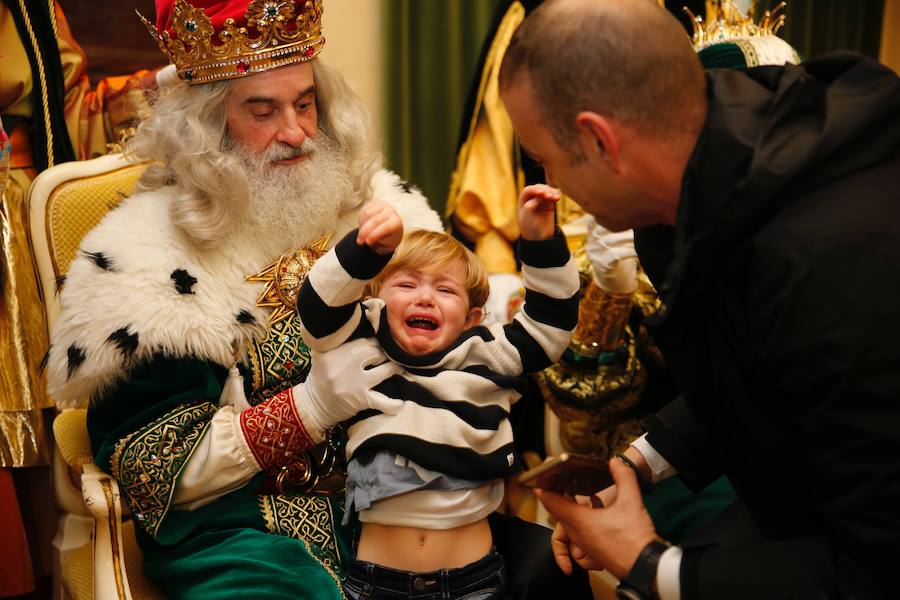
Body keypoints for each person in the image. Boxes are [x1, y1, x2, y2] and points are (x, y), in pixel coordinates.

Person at [45, 1, 593, 598]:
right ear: (203, 127)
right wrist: (306, 410)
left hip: (400, 508)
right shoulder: (147, 260)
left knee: (551, 572)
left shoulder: (378, 210)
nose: (297, 132)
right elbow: (154, 470)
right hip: (246, 534)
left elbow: (465, 348)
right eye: (263, 110)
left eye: (305, 103)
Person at [497, 0, 900, 598]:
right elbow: (757, 366)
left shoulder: (834, 260)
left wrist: (647, 563)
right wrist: (637, 462)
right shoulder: (683, 192)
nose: (551, 181)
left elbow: (878, 561)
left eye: (545, 159)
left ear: (600, 141)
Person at [294, 184, 579, 598]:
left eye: (445, 290)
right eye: (406, 285)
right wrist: (366, 249)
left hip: (473, 583)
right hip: (376, 584)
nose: (425, 297)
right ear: (375, 300)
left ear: (472, 318)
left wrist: (540, 240)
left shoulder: (485, 353)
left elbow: (550, 326)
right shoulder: (364, 347)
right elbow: (316, 308)